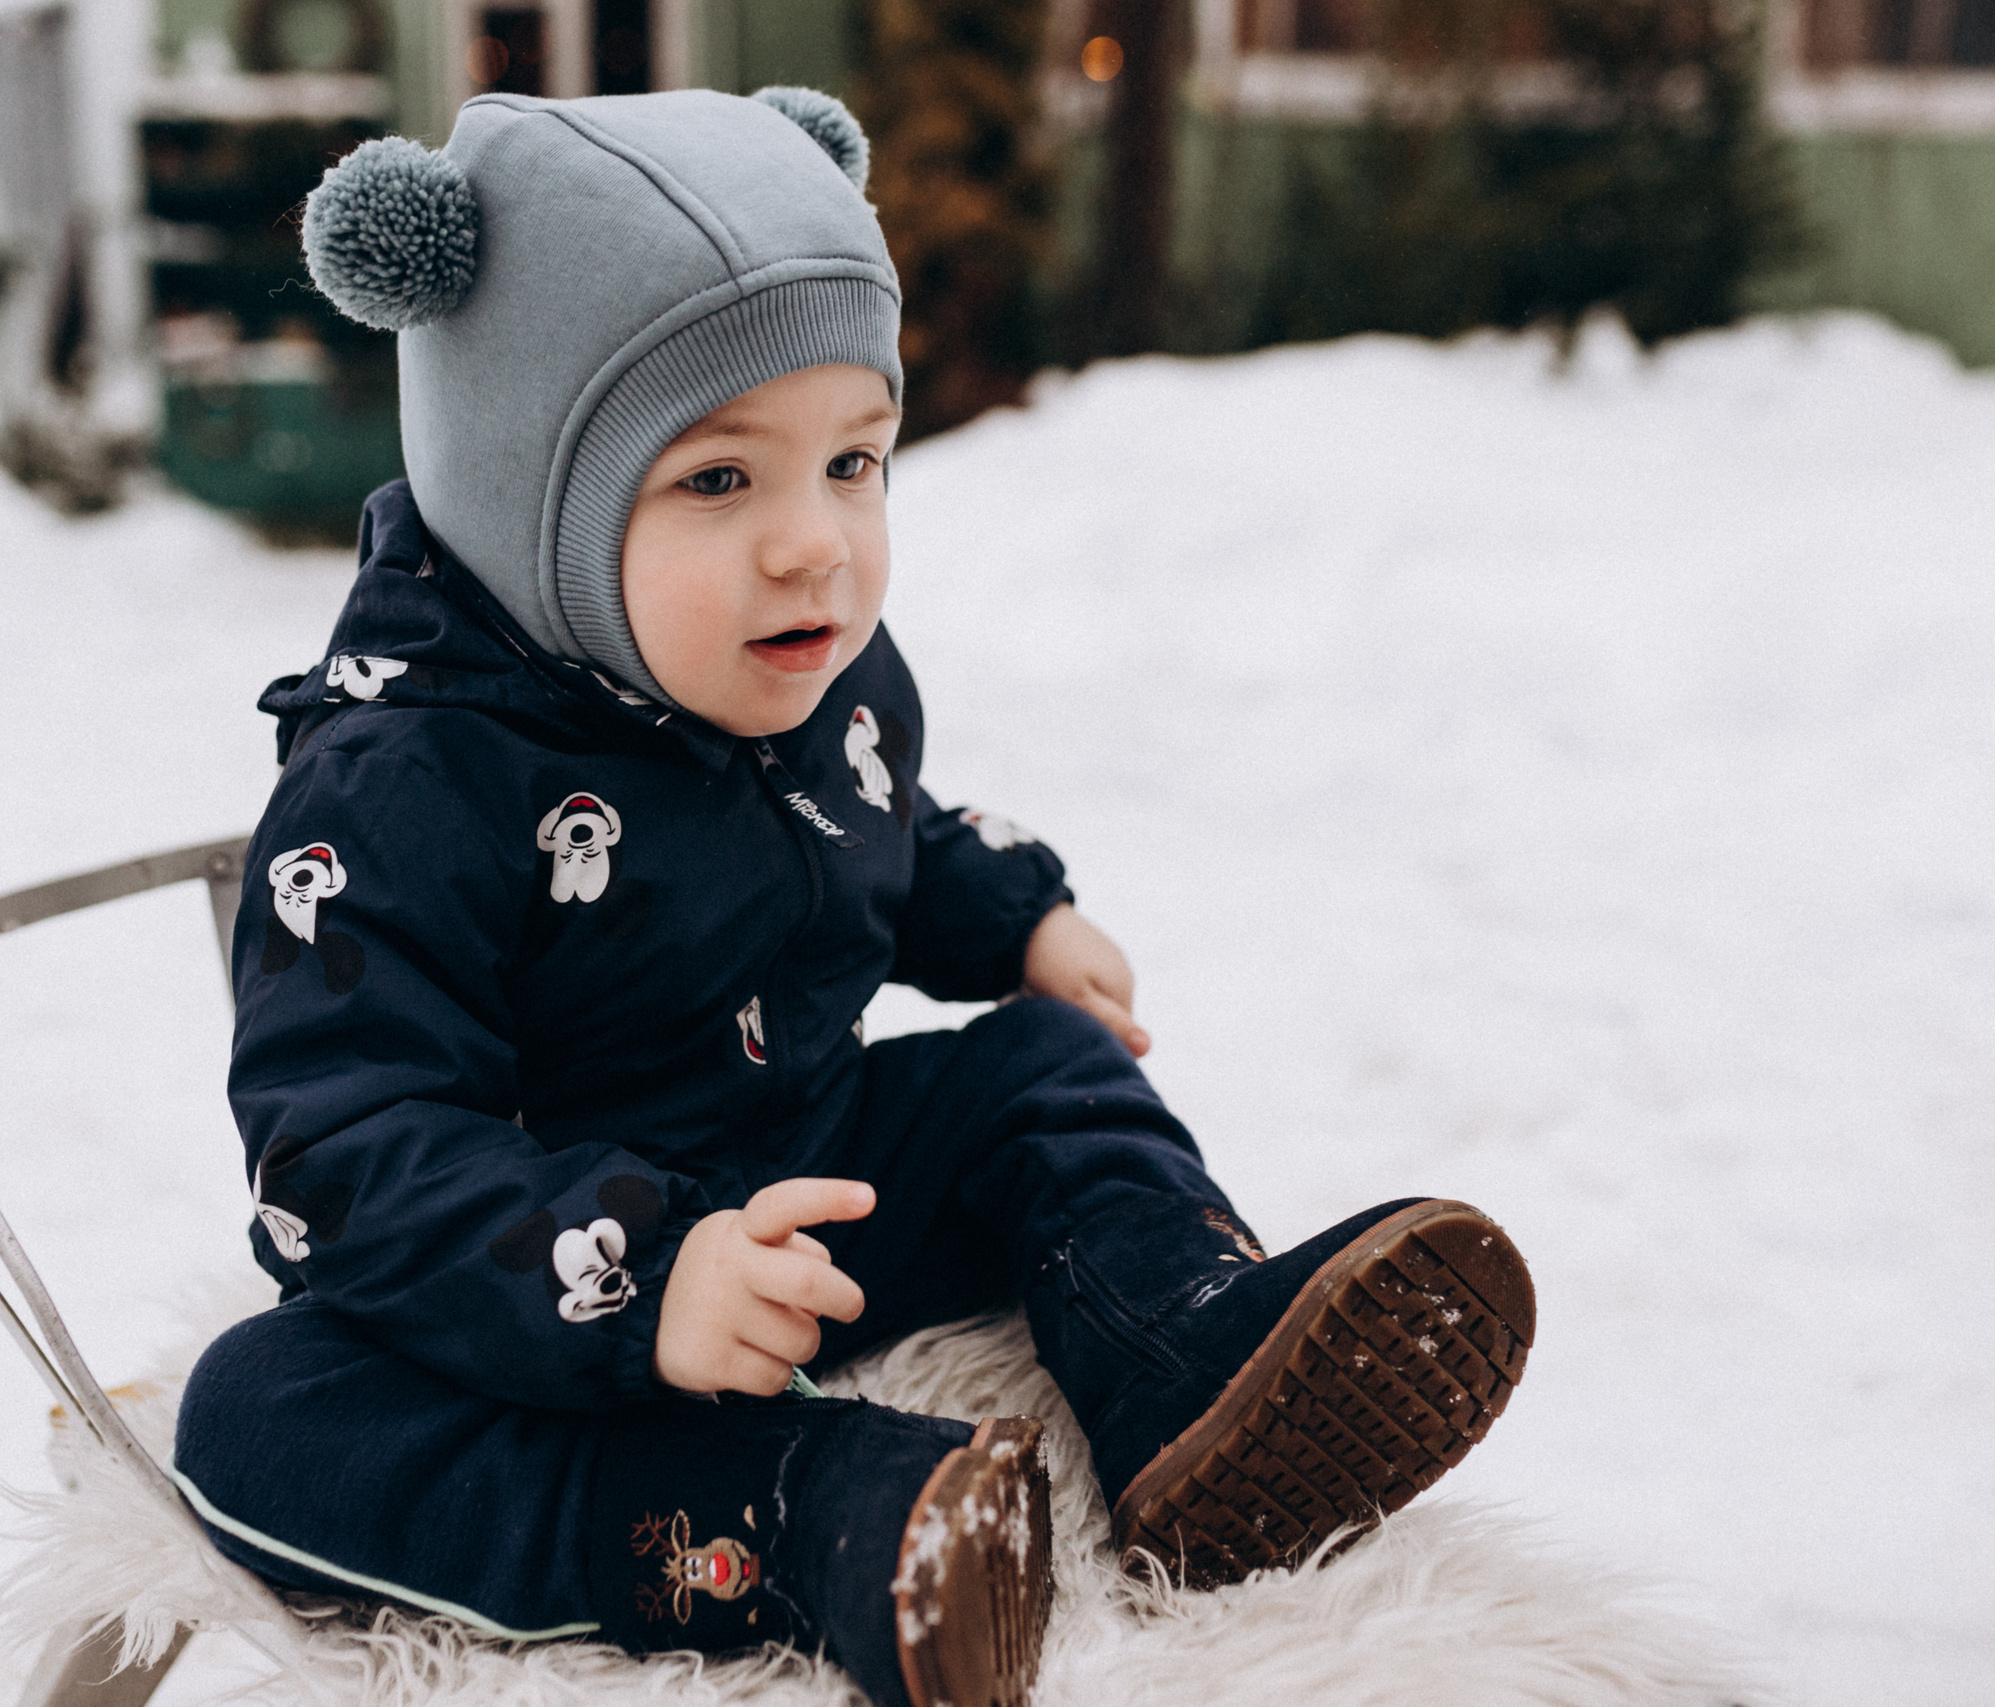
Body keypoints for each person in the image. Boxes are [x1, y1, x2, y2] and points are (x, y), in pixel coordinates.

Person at [169, 87, 1536, 1707]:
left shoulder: (807, 666)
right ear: (525, 502)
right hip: (541, 1275)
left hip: (803, 1176)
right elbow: (344, 1143)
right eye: (717, 484)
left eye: (852, 461)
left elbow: (886, 817)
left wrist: (1012, 914)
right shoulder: (404, 786)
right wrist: (643, 1273)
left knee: (1039, 1070)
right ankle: (777, 1519)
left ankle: (1188, 1384)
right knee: (257, 1414)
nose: (813, 544)